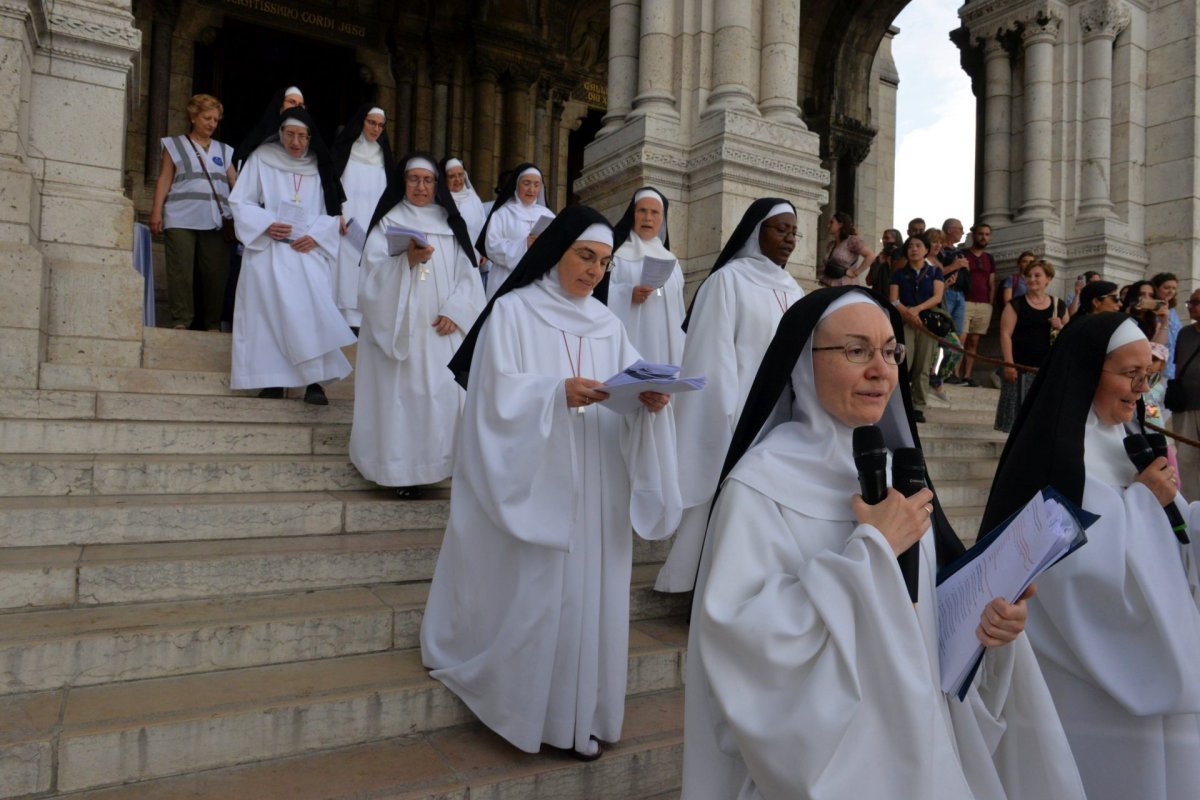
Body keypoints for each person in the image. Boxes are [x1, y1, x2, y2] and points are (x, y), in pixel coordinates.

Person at [683, 287, 1086, 800]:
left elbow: (921, 621)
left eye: (891, 352)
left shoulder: (901, 476)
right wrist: (871, 548)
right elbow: (744, 643)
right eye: (856, 351)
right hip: (842, 759)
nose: (881, 369)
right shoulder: (759, 486)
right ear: (803, 365)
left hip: (922, 743)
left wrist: (987, 626)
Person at [421, 206, 682, 760]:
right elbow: (490, 398)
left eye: (604, 262)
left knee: (589, 597)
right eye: (585, 256)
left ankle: (580, 714)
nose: (594, 271)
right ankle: (527, 707)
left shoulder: (610, 324)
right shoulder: (513, 311)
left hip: (597, 483)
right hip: (539, 480)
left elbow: (627, 382)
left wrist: (650, 400)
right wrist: (553, 393)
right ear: (556, 251)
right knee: (544, 594)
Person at [981, 312, 1200, 800]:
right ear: (1086, 371)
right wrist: (1142, 503)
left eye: (1148, 377)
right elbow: (1060, 568)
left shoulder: (1128, 440)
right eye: (1129, 375)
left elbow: (1174, 531)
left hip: (1143, 655)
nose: (1141, 390)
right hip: (1075, 667)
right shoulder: (1055, 451)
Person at [654, 199, 804, 593]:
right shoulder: (728, 281)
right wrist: (724, 413)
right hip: (736, 416)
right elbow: (709, 354)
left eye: (793, 232)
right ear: (757, 231)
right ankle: (706, 588)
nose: (789, 239)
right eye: (780, 229)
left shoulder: (794, 289)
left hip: (783, 419)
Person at [349, 154, 484, 498]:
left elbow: (469, 276)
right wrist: (406, 261)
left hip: (442, 330)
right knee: (401, 400)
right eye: (414, 180)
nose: (421, 187)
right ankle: (401, 473)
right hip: (398, 330)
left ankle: (440, 467)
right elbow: (370, 279)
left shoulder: (451, 223)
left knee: (442, 397)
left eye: (427, 181)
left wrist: (457, 310)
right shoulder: (388, 221)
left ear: (436, 185)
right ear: (403, 182)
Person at [227, 107, 353, 404]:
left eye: (302, 136)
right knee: (266, 318)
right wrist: (266, 224)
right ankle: (271, 382)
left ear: (310, 138)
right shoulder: (261, 159)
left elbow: (332, 213)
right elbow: (240, 202)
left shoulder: (320, 166)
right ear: (280, 133)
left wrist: (316, 236)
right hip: (269, 250)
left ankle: (314, 384)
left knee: (311, 317)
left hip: (306, 251)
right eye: (290, 135)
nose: (296, 142)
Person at [148, 93, 237, 331]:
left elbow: (235, 184)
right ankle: (181, 320)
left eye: (216, 120)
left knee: (216, 274)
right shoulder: (174, 144)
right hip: (180, 215)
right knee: (181, 272)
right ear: (193, 116)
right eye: (207, 118)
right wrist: (156, 212)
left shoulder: (224, 150)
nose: (212, 124)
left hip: (216, 219)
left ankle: (212, 323)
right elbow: (164, 178)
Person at [595, 187, 686, 365]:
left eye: (654, 212)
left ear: (662, 219)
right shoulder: (615, 254)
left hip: (666, 342)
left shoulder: (672, 261)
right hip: (632, 338)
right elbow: (599, 291)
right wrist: (628, 294)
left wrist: (657, 291)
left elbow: (676, 304)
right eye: (642, 211)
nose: (648, 218)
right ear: (632, 215)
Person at [330, 105, 393, 328]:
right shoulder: (345, 150)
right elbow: (331, 185)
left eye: (380, 125)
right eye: (371, 123)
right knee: (343, 273)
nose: (376, 129)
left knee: (367, 271)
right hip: (345, 225)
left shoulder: (384, 158)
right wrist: (336, 213)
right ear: (361, 122)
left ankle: (362, 323)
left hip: (372, 229)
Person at [994, 259, 1067, 432]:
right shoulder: (1016, 304)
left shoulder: (1059, 305)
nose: (1032, 279)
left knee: (1043, 413)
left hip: (1046, 368)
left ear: (1048, 279)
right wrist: (1009, 364)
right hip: (1019, 367)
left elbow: (1068, 336)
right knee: (1015, 415)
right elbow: (1005, 334)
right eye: (1029, 276)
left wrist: (1061, 326)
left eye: (1037, 275)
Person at [476, 163, 554, 299]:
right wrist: (524, 245)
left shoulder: (548, 215)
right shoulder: (502, 213)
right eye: (527, 183)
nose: (532, 189)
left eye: (536, 185)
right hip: (506, 279)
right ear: (517, 184)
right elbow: (491, 246)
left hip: (538, 281)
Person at [889, 233, 944, 423]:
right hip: (905, 322)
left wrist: (917, 310)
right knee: (903, 362)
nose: (914, 249)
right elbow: (894, 299)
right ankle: (899, 404)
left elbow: (937, 297)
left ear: (926, 250)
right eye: (910, 246)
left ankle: (918, 406)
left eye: (918, 245)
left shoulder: (935, 272)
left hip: (927, 323)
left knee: (923, 365)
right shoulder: (899, 273)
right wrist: (909, 314)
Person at [233, 86, 305, 170]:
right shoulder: (260, 138)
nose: (296, 108)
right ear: (280, 104)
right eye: (292, 102)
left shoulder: (307, 141)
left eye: (300, 105)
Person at [959, 223, 996, 385]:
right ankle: (953, 373)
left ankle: (967, 375)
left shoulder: (990, 258)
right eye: (981, 234)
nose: (984, 237)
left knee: (974, 342)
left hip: (983, 304)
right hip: (965, 301)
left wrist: (991, 303)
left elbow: (992, 282)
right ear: (974, 235)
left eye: (987, 234)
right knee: (960, 338)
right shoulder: (962, 254)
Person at [1172, 288, 1200, 501]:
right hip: (1186, 404)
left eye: (1197, 302)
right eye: (1190, 302)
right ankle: (1191, 507)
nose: (1192, 306)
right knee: (1186, 459)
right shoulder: (1184, 333)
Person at [440, 156, 487, 264]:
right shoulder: (440, 201)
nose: (457, 180)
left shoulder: (474, 199)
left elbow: (483, 227)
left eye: (460, 175)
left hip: (474, 258)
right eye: (452, 176)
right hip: (448, 260)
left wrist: (483, 251)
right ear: (444, 178)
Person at [820, 211, 873, 287]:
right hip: (830, 285)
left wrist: (856, 273)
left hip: (845, 285)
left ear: (840, 225)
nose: (828, 225)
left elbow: (871, 255)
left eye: (831, 223)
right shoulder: (831, 245)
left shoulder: (852, 241)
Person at [1152, 272, 1183, 377]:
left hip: (1173, 365)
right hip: (1156, 363)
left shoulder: (1172, 310)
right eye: (1166, 288)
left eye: (1174, 288)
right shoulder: (1151, 310)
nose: (1171, 291)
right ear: (1156, 288)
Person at [865, 227, 902, 305]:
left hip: (894, 299)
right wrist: (877, 263)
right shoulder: (879, 257)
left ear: (896, 240)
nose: (884, 241)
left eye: (887, 238)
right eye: (883, 238)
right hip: (877, 298)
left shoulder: (901, 257)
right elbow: (868, 281)